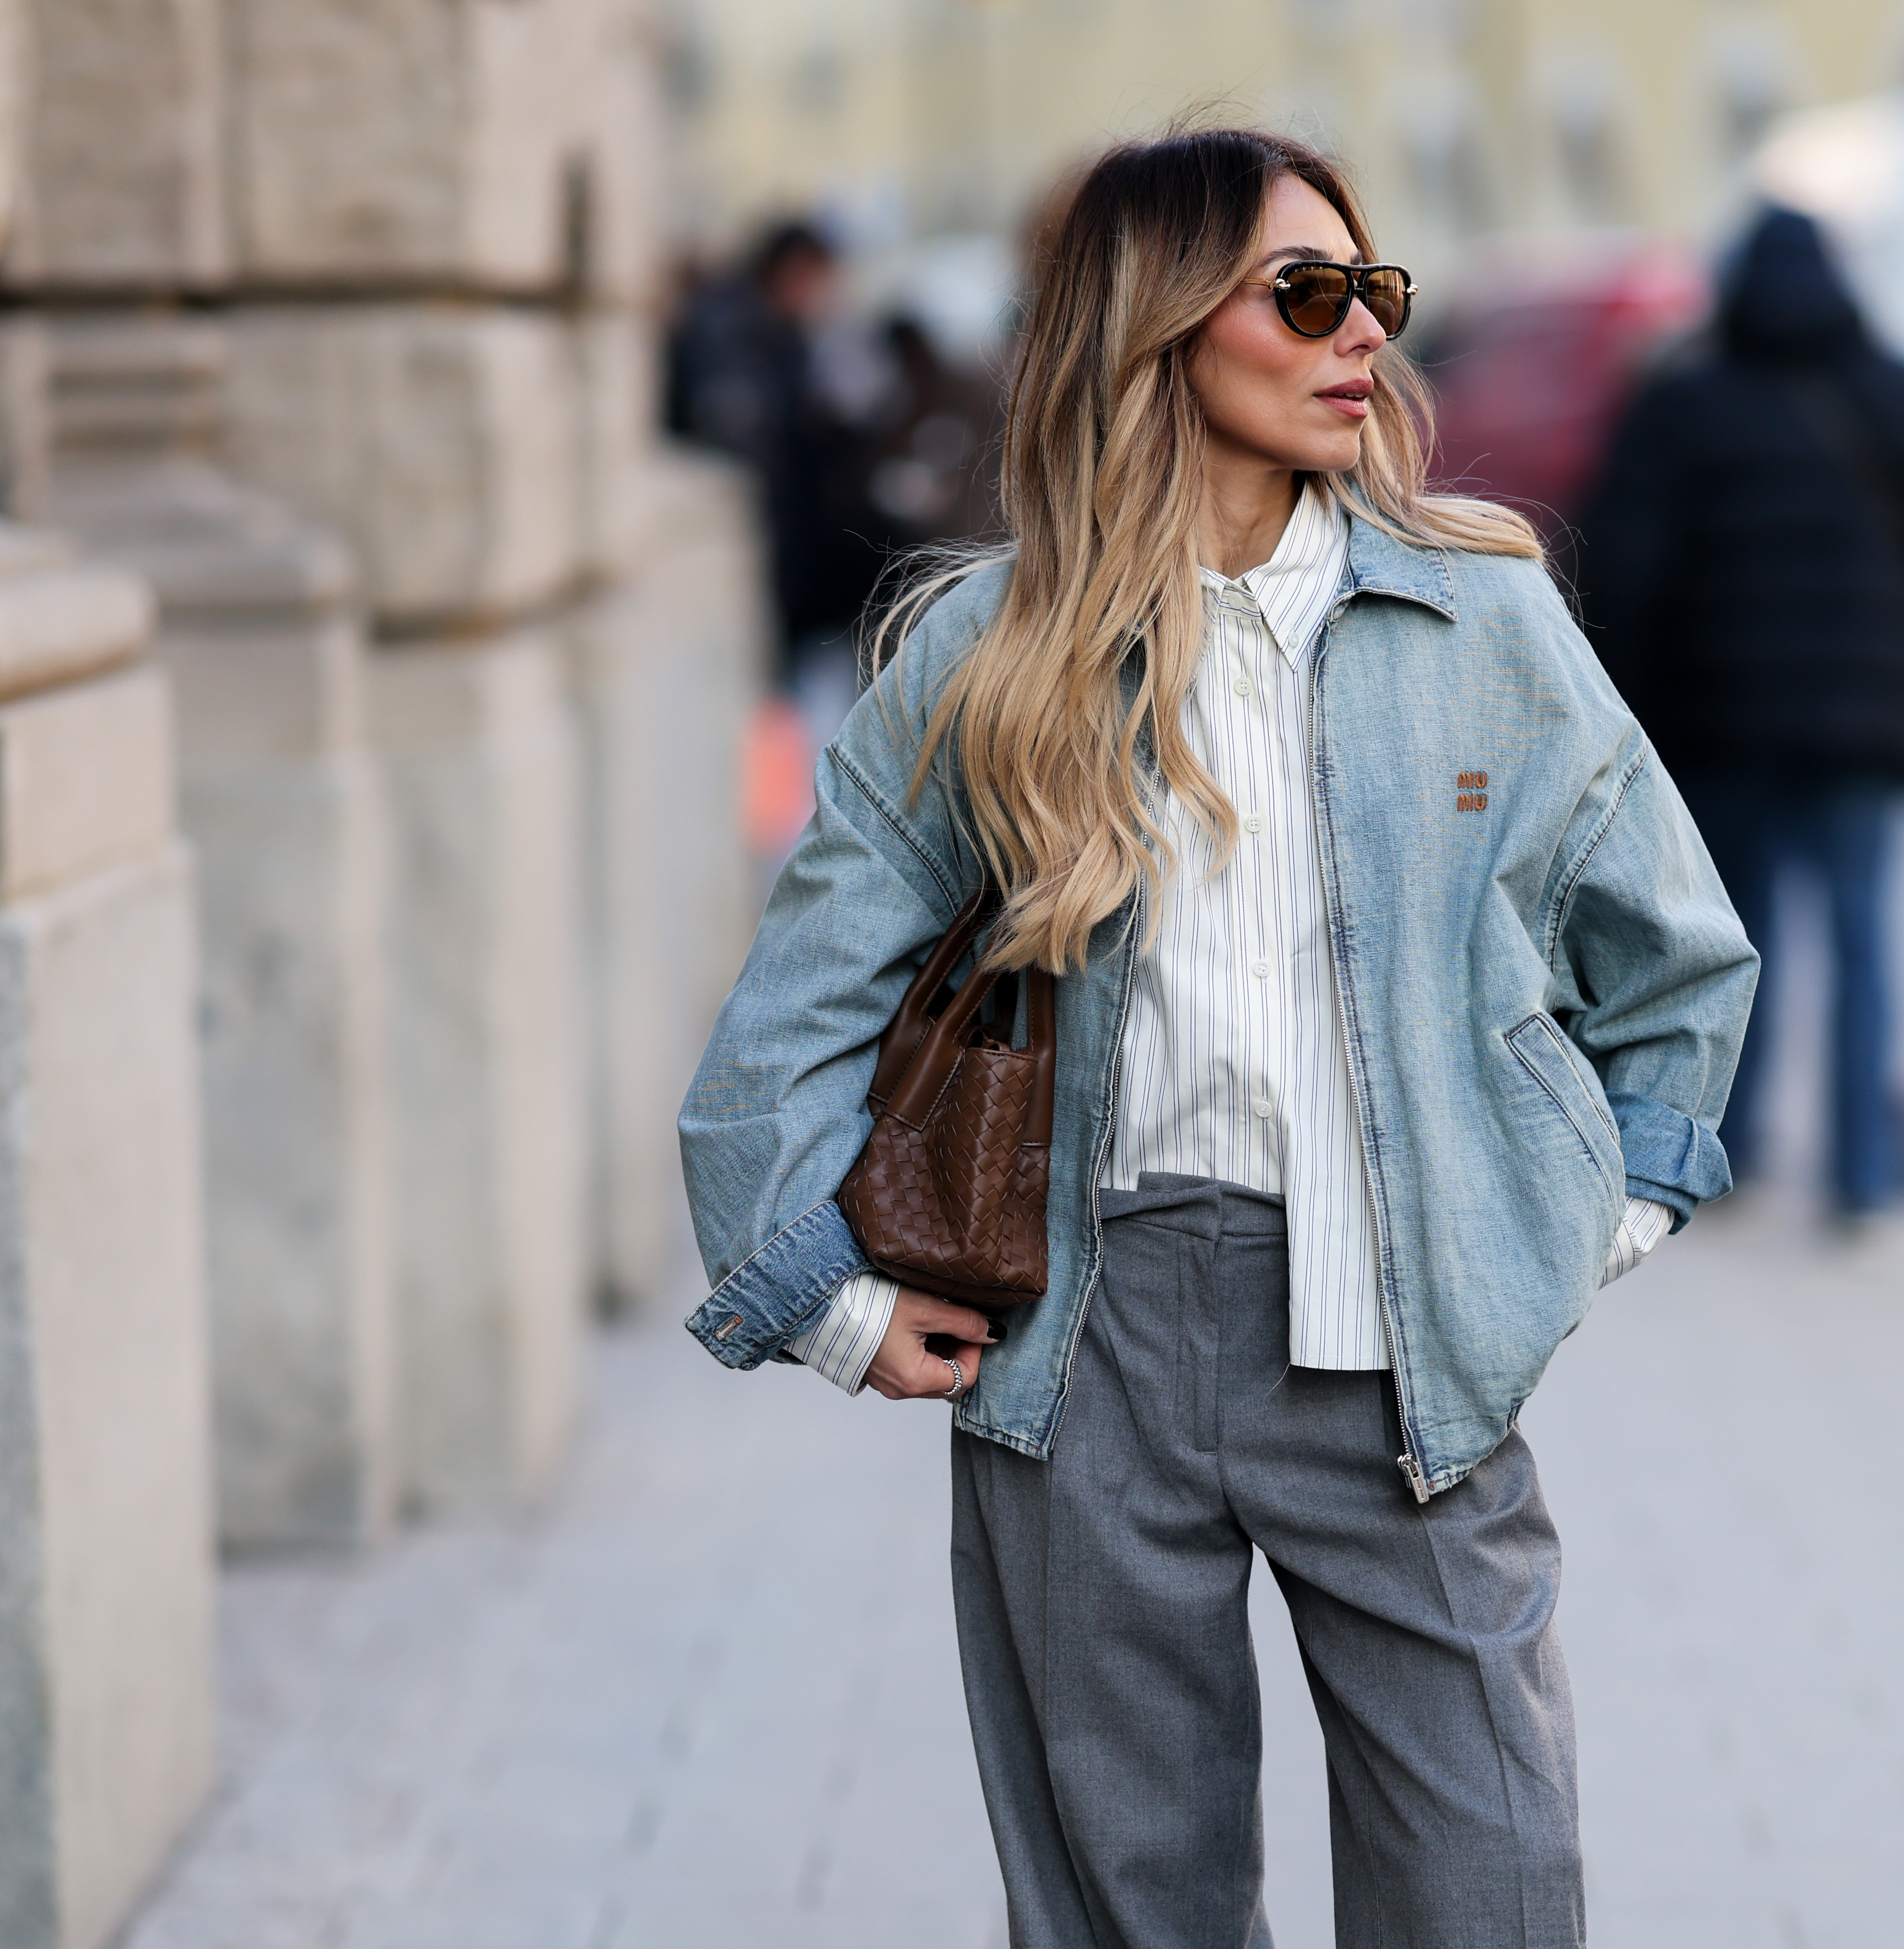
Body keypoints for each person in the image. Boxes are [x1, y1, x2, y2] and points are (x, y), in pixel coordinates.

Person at [678, 127, 1757, 1947]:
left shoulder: (1480, 612)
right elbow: (783, 1027)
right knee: (1128, 1904)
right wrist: (838, 1302)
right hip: (1088, 1335)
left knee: (1487, 1878)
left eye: (1376, 293)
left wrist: (1581, 1222)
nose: (1363, 337)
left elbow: (1677, 969)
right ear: (1160, 328)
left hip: (1410, 1333)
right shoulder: (986, 655)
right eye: (1307, 294)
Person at [1574, 203, 1904, 1227]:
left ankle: (1728, 1157)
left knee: (1735, 941)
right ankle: (1864, 1177)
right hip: (1869, 724)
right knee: (1863, 934)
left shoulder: (1683, 406)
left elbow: (1617, 573)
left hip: (1720, 719)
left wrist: (1622, 725)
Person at [664, 218, 904, 740]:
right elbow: (741, 443)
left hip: (791, 555)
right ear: (793, 271)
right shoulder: (728, 335)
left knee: (792, 702)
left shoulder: (790, 337)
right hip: (754, 554)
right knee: (764, 710)